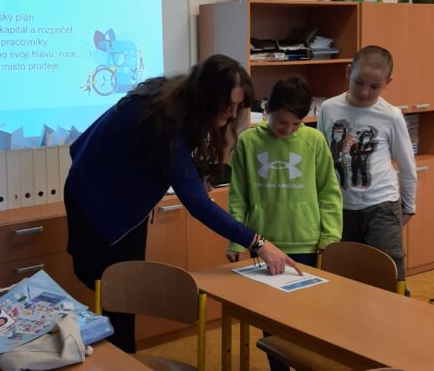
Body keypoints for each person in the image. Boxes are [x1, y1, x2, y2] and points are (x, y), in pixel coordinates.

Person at [64, 54, 301, 352]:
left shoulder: (177, 97)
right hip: (96, 204)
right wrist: (259, 243)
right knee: (115, 292)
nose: (231, 113)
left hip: (116, 198)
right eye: (227, 105)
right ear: (207, 96)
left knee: (124, 293)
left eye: (237, 106)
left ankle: (123, 353)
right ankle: (121, 357)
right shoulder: (165, 121)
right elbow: (197, 204)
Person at [227, 76, 342, 371]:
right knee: (272, 322)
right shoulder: (248, 142)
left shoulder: (313, 141)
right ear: (268, 109)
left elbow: (329, 192)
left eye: (296, 124)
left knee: (306, 320)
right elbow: (238, 196)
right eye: (282, 123)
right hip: (264, 245)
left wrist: (330, 237)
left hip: (307, 243)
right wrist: (236, 240)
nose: (288, 130)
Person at [317, 45, 416, 284]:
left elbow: (407, 165)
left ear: (387, 83)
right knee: (345, 273)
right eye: (359, 82)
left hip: (380, 205)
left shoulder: (391, 115)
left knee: (388, 271)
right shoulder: (329, 108)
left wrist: (409, 206)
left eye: (374, 86)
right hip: (339, 206)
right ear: (348, 72)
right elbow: (320, 160)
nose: (364, 92)